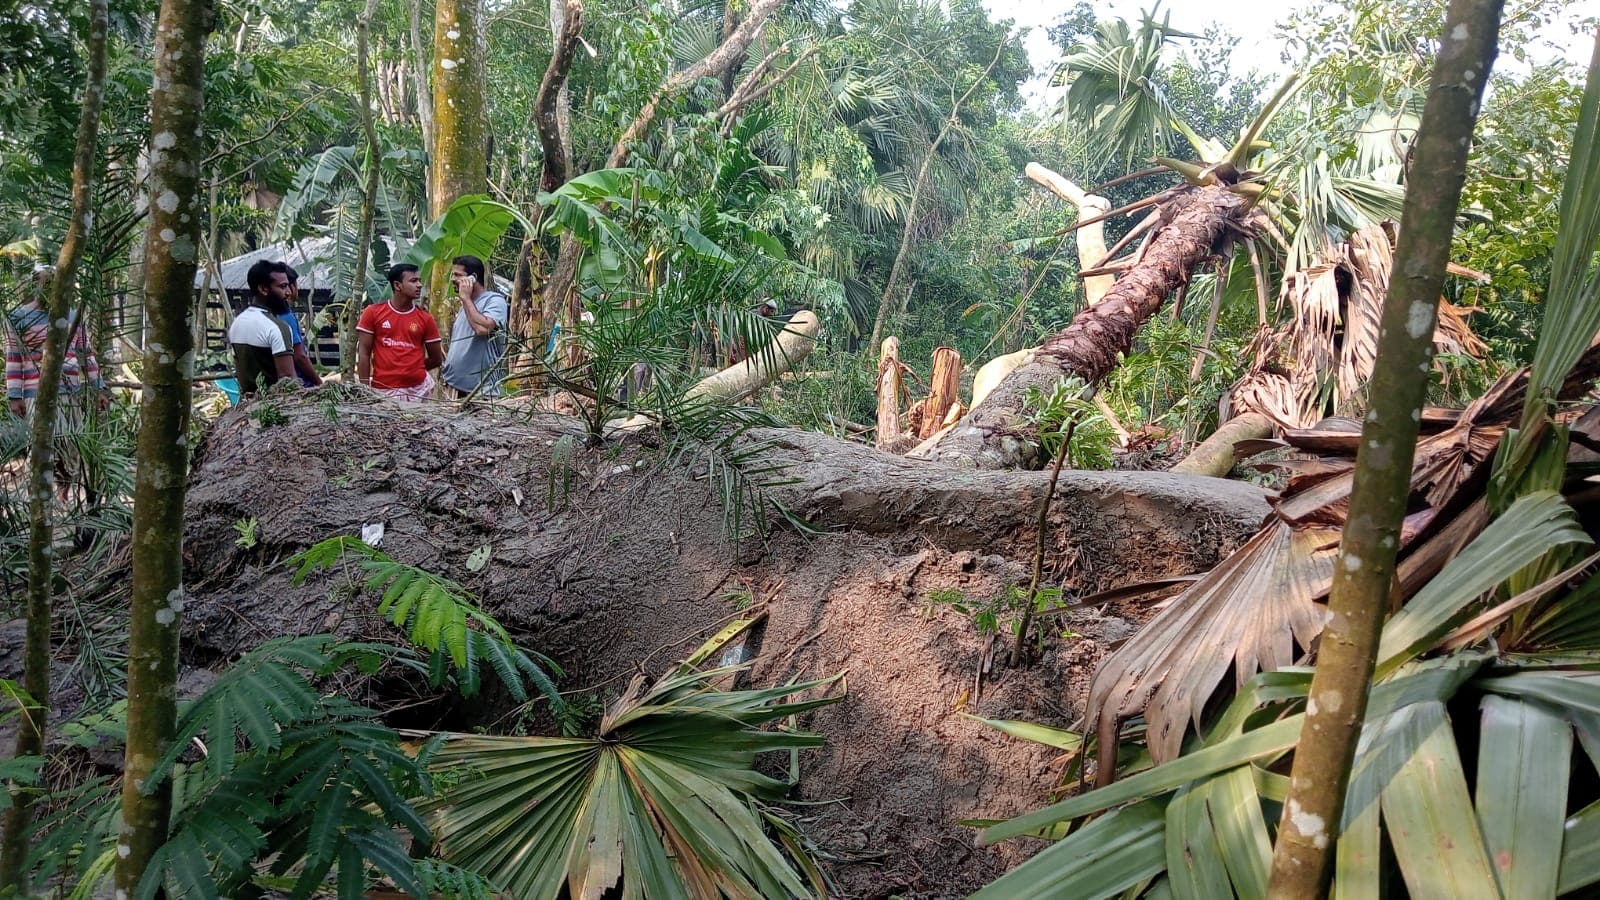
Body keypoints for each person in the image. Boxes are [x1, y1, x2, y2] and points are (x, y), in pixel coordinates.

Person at [5, 265, 106, 421]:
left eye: (56, 283)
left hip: (70, 395)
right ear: (35, 286)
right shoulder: (18, 316)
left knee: (70, 443)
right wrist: (15, 396)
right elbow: (14, 359)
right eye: (46, 283)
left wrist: (99, 388)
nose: (51, 288)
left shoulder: (73, 317)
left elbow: (86, 355)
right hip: (36, 395)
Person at [357, 263, 442, 402]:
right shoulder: (372, 313)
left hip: (419, 390)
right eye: (413, 281)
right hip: (382, 389)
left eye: (419, 280)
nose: (419, 285)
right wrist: (365, 391)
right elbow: (364, 353)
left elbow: (436, 359)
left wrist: (413, 370)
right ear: (397, 285)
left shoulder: (426, 318)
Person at [439, 255, 509, 399]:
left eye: (458, 275)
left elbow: (483, 328)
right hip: (455, 386)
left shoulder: (494, 301)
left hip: (481, 392)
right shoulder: (465, 306)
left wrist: (465, 298)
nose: (453, 279)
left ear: (473, 278)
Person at [228, 259, 298, 397]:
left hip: (250, 406)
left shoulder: (237, 323)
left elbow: (242, 378)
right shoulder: (277, 327)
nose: (288, 292)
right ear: (264, 289)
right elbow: (288, 382)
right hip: (276, 406)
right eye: (283, 287)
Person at [279, 266, 322, 387]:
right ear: (292, 287)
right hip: (299, 385)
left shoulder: (268, 314)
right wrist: (319, 382)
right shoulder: (286, 316)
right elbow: (299, 357)